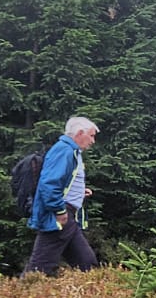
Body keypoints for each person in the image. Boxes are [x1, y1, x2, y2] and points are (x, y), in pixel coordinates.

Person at [25, 116, 100, 274]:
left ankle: (95, 288)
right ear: (80, 133)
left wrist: (78, 191)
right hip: (59, 215)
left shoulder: (71, 151)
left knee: (87, 263)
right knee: (40, 267)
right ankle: (23, 289)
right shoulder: (64, 151)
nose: (93, 141)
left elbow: (62, 181)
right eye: (91, 136)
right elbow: (49, 184)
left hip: (67, 215)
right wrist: (59, 211)